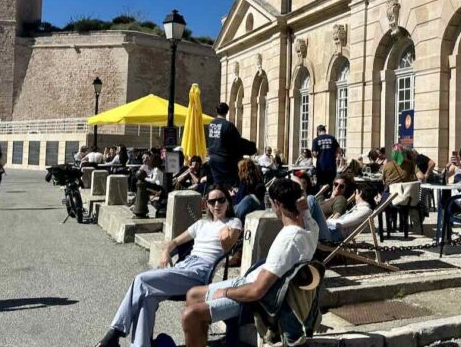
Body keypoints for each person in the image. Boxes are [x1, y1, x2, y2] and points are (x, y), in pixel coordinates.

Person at [97, 186, 242, 347]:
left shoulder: (233, 222)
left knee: (141, 280)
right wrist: (166, 251)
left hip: (201, 271)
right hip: (185, 265)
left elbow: (228, 246)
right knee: (147, 298)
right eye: (212, 201)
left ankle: (115, 332)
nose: (217, 205)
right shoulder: (201, 224)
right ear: (206, 204)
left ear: (228, 202)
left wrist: (225, 238)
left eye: (221, 200)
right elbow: (174, 242)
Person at [181, 179, 318, 347]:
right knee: (193, 294)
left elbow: (257, 291)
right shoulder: (311, 228)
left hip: (256, 297)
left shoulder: (288, 240)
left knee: (190, 314)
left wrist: (227, 292)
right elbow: (306, 213)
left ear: (276, 203)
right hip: (251, 282)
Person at [206, 102, 243, 187]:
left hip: (212, 158)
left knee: (217, 185)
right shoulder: (228, 125)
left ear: (216, 111)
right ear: (227, 111)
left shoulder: (211, 124)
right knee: (229, 186)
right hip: (225, 160)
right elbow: (237, 143)